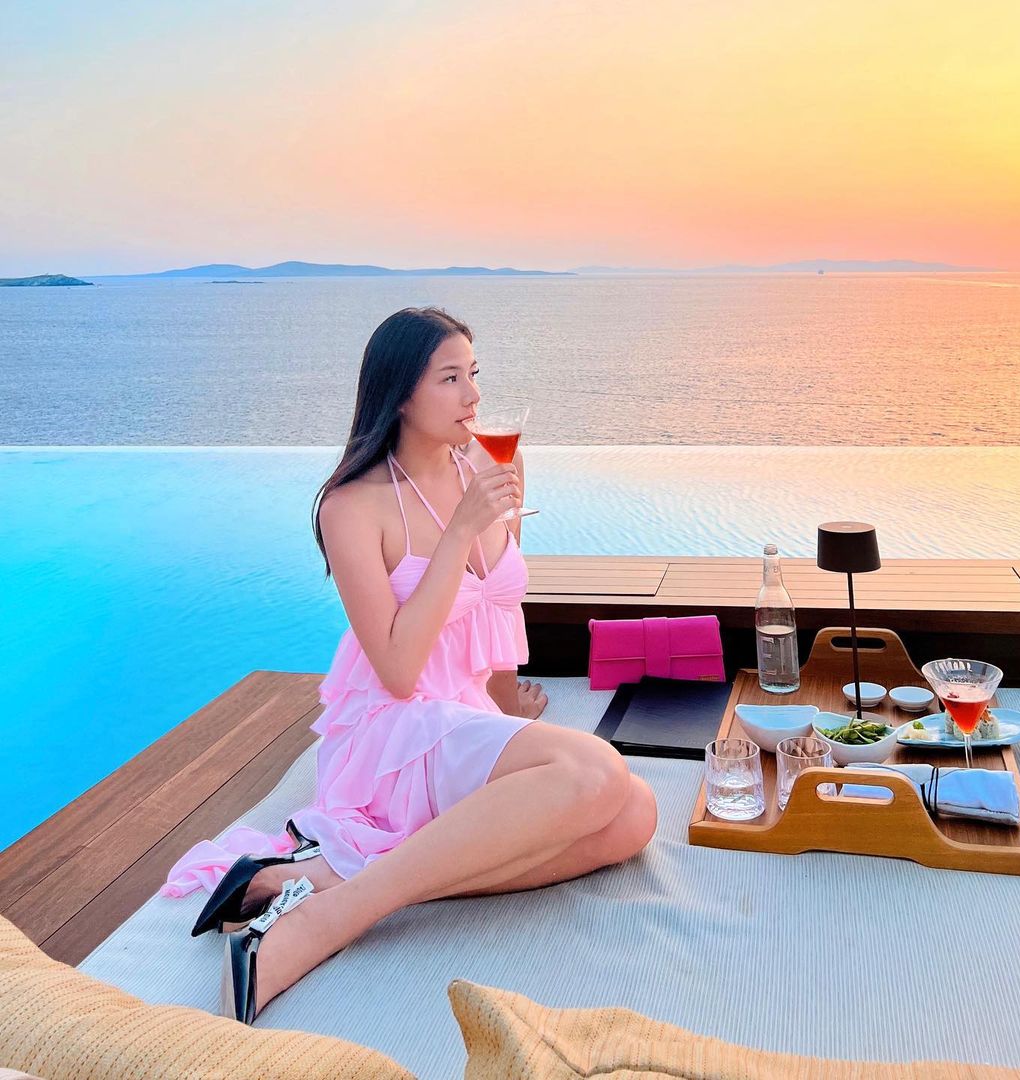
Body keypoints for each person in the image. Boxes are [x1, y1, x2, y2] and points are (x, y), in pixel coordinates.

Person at [161, 307, 658, 1023]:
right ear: (399, 394)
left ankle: (321, 882)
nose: (473, 396)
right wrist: (459, 531)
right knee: (598, 772)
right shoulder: (351, 506)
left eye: (474, 374)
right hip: (394, 733)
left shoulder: (492, 464)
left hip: (462, 721)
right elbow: (396, 671)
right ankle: (321, 923)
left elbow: (496, 607)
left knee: (634, 816)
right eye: (450, 379)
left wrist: (508, 714)